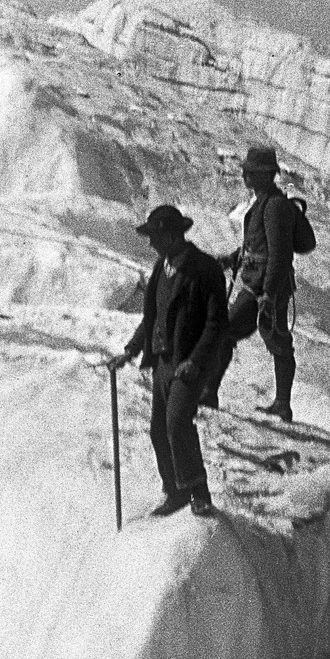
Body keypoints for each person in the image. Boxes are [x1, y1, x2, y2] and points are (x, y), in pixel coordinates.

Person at [109, 204, 227, 518]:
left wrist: (196, 360)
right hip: (163, 361)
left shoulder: (204, 269)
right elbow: (153, 318)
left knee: (177, 423)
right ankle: (175, 491)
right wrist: (130, 351)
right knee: (158, 430)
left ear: (173, 236)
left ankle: (199, 492)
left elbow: (216, 323)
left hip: (190, 363)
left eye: (156, 237)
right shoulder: (162, 267)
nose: (151, 244)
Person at [201, 145, 300, 420]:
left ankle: (212, 393)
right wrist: (232, 258)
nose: (245, 175)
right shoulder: (264, 202)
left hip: (266, 287)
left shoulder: (275, 207)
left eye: (251, 171)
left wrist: (268, 293)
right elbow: (257, 245)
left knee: (266, 338)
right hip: (259, 283)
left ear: (266, 175)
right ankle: (212, 392)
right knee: (255, 336)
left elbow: (279, 254)